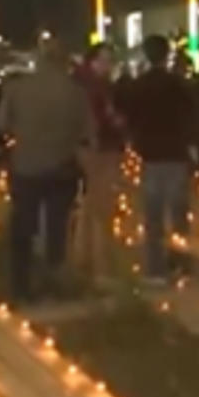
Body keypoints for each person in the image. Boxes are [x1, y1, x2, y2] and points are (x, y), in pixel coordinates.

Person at [0, 40, 94, 303]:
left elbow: (1, 123)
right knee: (58, 229)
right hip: (62, 168)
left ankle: (21, 288)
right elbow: (88, 133)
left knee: (23, 229)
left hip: (26, 167)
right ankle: (55, 283)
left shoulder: (18, 88)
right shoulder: (76, 92)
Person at [128, 36, 195, 284]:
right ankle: (181, 263)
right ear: (167, 55)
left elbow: (130, 118)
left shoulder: (139, 85)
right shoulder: (177, 84)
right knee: (178, 214)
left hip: (150, 156)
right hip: (176, 154)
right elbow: (191, 115)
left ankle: (155, 269)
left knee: (152, 216)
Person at [73, 43, 125, 285]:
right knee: (100, 208)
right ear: (93, 60)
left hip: (88, 148)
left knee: (89, 207)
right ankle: (100, 266)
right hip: (99, 149)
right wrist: (118, 123)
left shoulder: (81, 83)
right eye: (105, 60)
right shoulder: (95, 87)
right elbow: (104, 118)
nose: (108, 66)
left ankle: (83, 258)